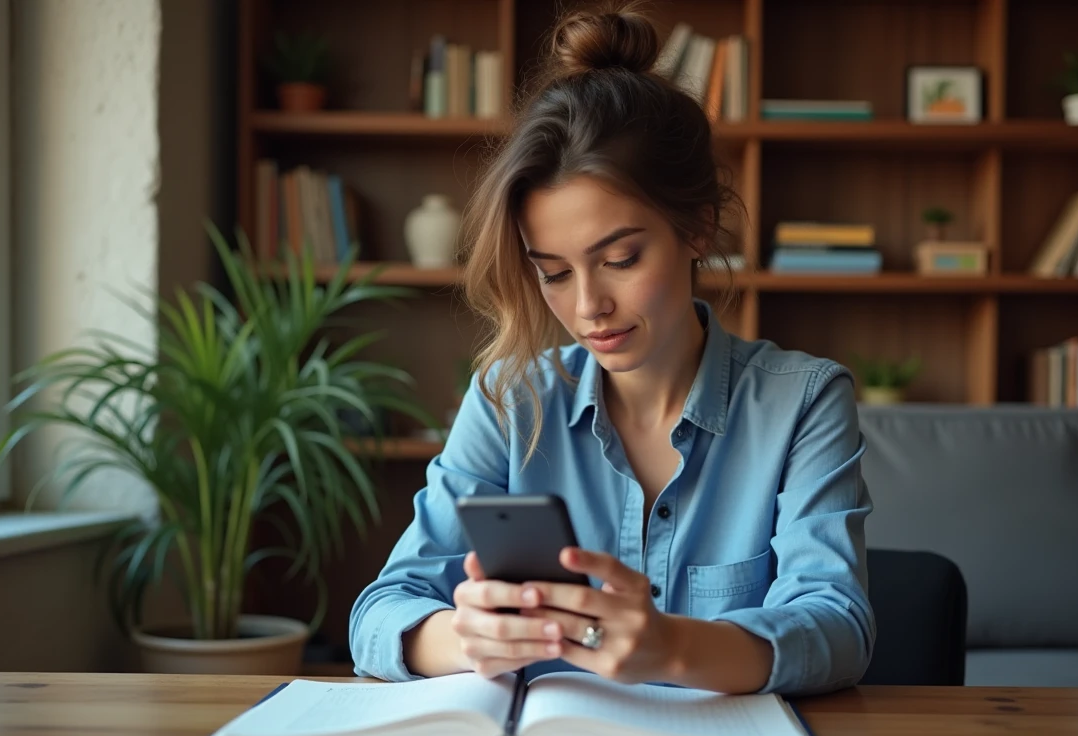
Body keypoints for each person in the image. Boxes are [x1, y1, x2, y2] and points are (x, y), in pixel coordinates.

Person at [349, 2, 875, 696]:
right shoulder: (512, 400)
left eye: (621, 258)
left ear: (699, 229)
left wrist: (672, 647)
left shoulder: (801, 402)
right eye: (554, 273)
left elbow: (838, 626)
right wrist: (462, 636)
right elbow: (380, 613)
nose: (587, 306)